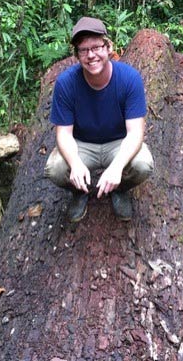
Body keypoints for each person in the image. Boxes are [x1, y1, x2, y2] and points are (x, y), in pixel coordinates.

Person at [44, 16, 154, 222]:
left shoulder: (129, 79)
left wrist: (117, 167)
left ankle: (119, 189)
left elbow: (136, 132)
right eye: (84, 50)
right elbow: (63, 134)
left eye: (96, 47)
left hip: (118, 142)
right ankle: (79, 191)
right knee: (55, 168)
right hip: (83, 144)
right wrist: (75, 163)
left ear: (108, 47)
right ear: (77, 55)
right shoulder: (66, 83)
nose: (91, 55)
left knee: (143, 164)